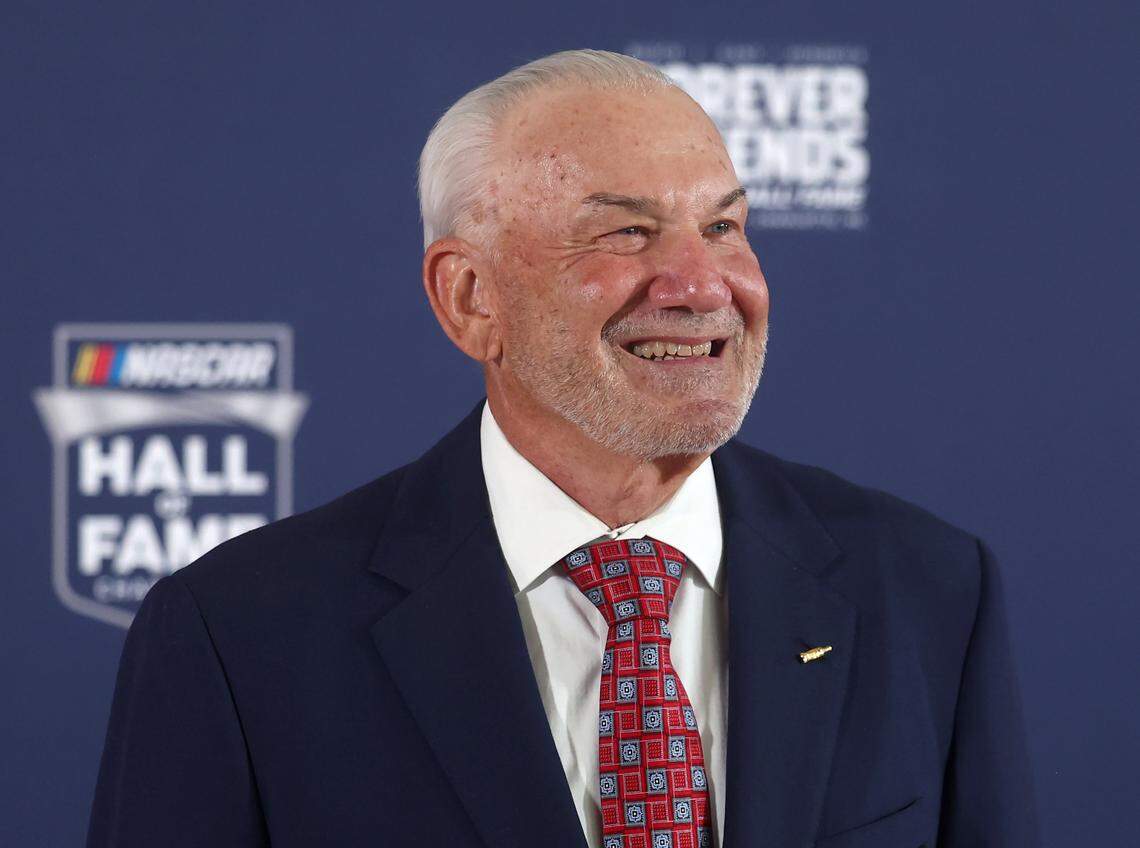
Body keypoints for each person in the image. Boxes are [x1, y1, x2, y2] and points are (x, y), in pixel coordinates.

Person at [87, 49, 1039, 847]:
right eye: (626, 232)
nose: (704, 285)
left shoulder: (927, 587)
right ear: (471, 298)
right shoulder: (238, 636)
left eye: (723, 227)